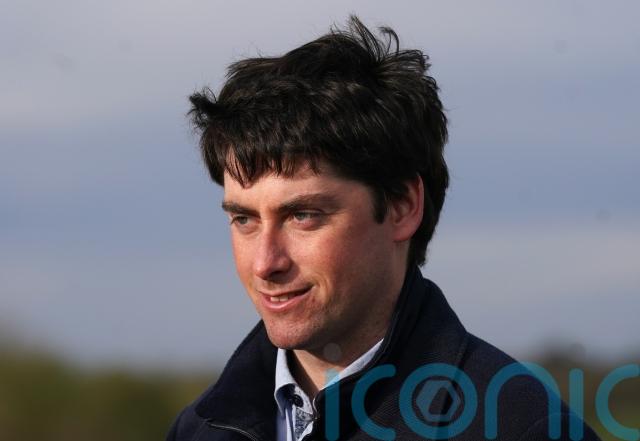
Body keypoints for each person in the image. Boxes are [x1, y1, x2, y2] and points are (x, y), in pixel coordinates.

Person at [167, 16, 601, 441]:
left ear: (402, 206)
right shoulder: (199, 429)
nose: (265, 263)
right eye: (244, 219)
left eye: (303, 216)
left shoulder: (522, 428)